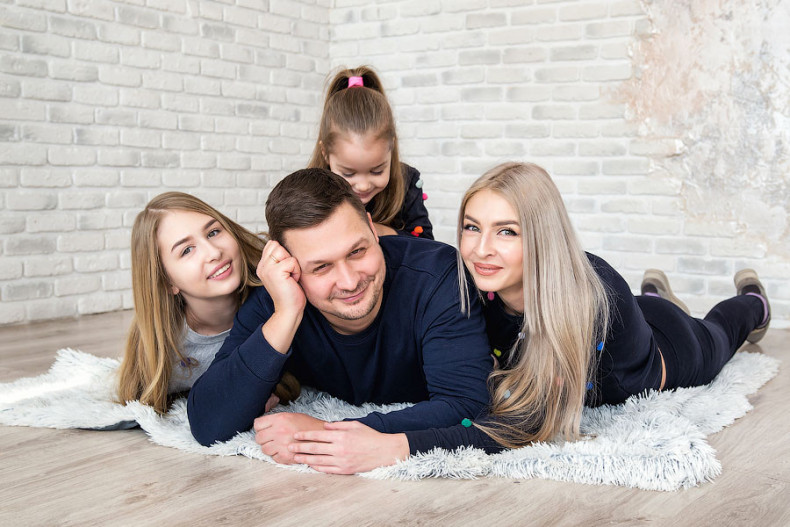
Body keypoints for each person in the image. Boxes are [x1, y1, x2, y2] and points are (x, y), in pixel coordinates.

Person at [287, 162, 770, 473]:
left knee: (722, 332)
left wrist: (397, 446)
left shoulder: (584, 302)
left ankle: (752, 301)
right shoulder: (473, 284)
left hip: (666, 351)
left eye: (507, 232)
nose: (481, 249)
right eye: (472, 227)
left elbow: (524, 427)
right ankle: (654, 295)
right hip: (631, 317)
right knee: (648, 310)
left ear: (540, 236)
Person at [186, 168, 492, 460]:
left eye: (357, 252)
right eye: (321, 267)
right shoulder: (278, 299)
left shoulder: (437, 274)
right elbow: (209, 423)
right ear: (288, 265)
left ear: (372, 229)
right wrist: (287, 314)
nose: (349, 281)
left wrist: (326, 433)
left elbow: (468, 406)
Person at [117, 192, 299, 416]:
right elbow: (138, 395)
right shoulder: (164, 348)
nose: (214, 252)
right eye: (187, 250)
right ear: (167, 282)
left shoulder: (279, 287)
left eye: (213, 232)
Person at [308, 66, 433, 239]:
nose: (363, 186)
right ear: (325, 153)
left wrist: (371, 229)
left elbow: (426, 243)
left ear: (391, 148)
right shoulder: (310, 190)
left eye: (377, 171)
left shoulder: (407, 181)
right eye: (348, 173)